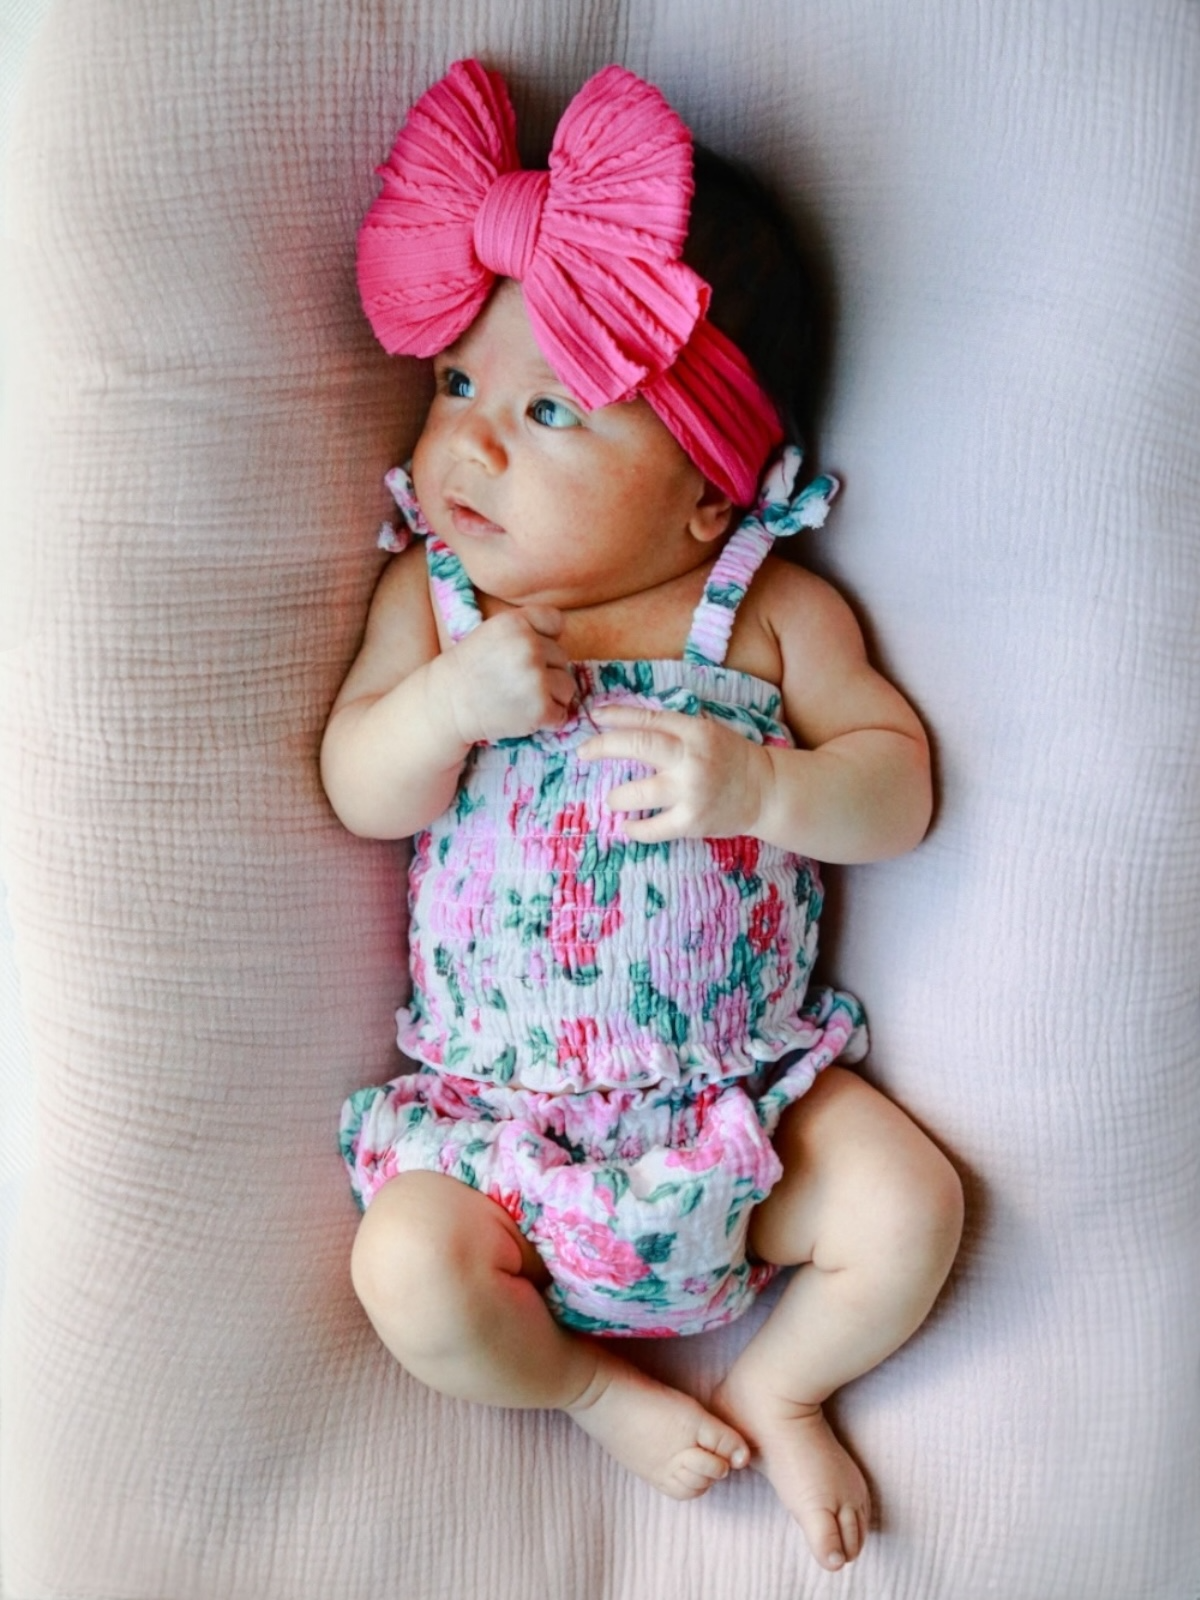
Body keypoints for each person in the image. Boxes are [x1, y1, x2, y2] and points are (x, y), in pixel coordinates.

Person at [323, 59, 963, 1574]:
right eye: (458, 386)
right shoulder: (443, 601)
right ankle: (588, 1390)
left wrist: (778, 787)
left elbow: (901, 786)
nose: (471, 443)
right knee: (403, 1274)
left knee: (913, 1202)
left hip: (742, 1121)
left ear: (707, 495)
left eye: (550, 410)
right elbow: (361, 785)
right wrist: (445, 709)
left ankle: (782, 1384)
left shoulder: (764, 619)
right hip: (499, 1141)